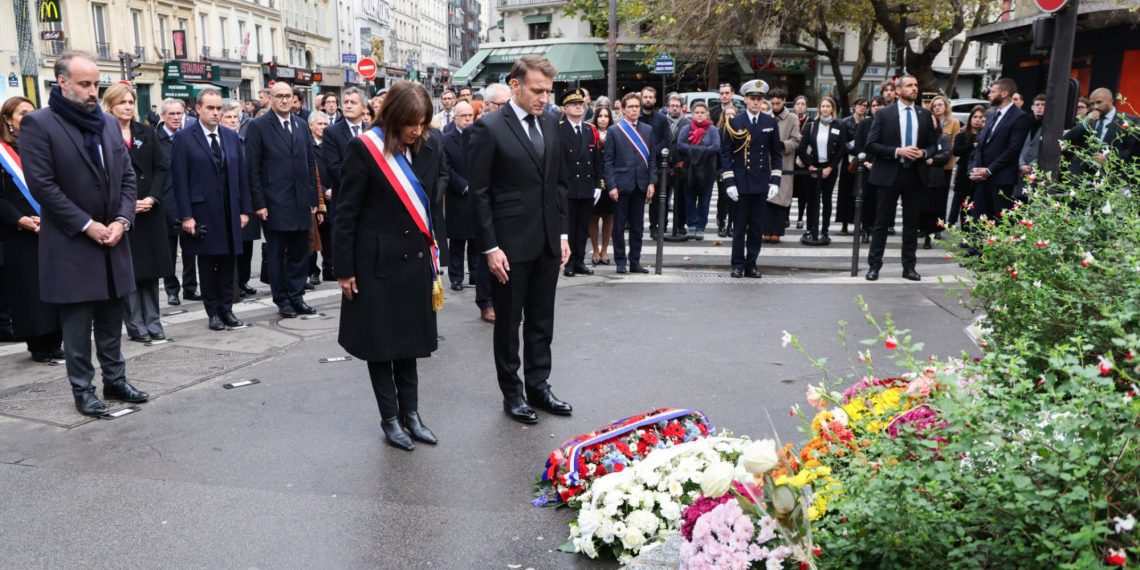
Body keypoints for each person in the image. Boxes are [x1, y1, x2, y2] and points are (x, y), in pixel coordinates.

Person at [21, 51, 149, 416]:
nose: (93, 91)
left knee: (112, 318)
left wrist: (122, 221)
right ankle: (83, 391)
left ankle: (115, 380)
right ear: (63, 82)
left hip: (113, 240)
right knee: (77, 325)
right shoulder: (39, 124)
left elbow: (126, 177)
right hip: (72, 243)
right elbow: (43, 186)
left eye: (96, 84)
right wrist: (86, 224)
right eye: (85, 84)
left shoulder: (107, 124)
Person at [333, 81, 443, 451]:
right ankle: (391, 419)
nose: (418, 131)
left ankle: (412, 415)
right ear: (393, 117)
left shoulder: (428, 145)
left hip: (413, 261)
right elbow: (345, 214)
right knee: (381, 346)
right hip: (375, 264)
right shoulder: (364, 149)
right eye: (412, 123)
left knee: (410, 344)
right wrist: (344, 269)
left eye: (423, 123)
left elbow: (430, 199)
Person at [469, 55, 572, 425]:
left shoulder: (551, 124)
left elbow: (558, 184)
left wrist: (561, 233)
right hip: (508, 246)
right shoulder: (491, 127)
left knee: (542, 320)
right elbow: (479, 193)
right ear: (515, 86)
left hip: (546, 241)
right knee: (509, 322)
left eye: (548, 90)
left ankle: (539, 386)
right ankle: (512, 394)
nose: (544, 97)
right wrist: (490, 247)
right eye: (537, 90)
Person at [171, 89, 252, 331]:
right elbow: (179, 180)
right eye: (211, 108)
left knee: (228, 262)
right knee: (208, 265)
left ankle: (227, 309)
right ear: (198, 109)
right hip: (202, 211)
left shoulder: (229, 136)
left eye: (219, 109)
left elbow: (241, 175)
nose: (216, 113)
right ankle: (213, 311)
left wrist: (244, 209)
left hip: (229, 210)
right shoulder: (184, 138)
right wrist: (186, 215)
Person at [103, 84, 173, 343]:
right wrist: (127, 204)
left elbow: (162, 168)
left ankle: (154, 321)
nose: (128, 106)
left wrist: (152, 198)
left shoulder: (146, 131)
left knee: (151, 269)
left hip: (150, 210)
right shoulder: (102, 134)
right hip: (122, 212)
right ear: (110, 105)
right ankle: (135, 325)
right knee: (129, 270)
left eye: (131, 102)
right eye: (122, 102)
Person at [246, 82, 320, 318]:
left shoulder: (300, 125)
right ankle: (282, 299)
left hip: (300, 202)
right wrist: (259, 203)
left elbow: (310, 162)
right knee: (277, 255)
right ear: (271, 98)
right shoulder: (259, 126)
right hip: (274, 202)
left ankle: (297, 296)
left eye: (288, 96)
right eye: (279, 96)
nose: (285, 100)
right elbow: (253, 168)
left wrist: (312, 197)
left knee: (300, 252)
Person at [0, 96, 64, 363]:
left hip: (49, 226)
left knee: (55, 285)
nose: (29, 117)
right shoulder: (3, 153)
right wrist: (19, 220)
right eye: (23, 113)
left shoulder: (41, 147)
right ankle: (38, 344)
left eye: (32, 112)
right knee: (29, 290)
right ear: (8, 120)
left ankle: (56, 340)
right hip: (17, 231)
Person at [864, 75, 941, 282]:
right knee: (881, 223)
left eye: (916, 85)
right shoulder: (884, 114)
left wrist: (924, 154)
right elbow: (871, 144)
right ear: (898, 90)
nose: (914, 88)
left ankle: (909, 267)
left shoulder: (924, 115)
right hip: (890, 173)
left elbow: (934, 145)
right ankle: (874, 266)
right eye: (909, 85)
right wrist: (898, 151)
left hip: (915, 174)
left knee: (911, 224)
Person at [720, 79, 783, 279]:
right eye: (752, 99)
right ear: (745, 100)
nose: (756, 102)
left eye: (759, 99)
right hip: (740, 182)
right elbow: (725, 155)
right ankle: (737, 264)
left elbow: (776, 154)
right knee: (739, 227)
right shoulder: (735, 122)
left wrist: (775, 181)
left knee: (756, 228)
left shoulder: (769, 122)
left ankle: (752, 264)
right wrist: (729, 182)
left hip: (761, 182)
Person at [471, 82, 510, 325]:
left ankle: (504, 299)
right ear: (488, 106)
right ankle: (485, 302)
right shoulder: (482, 128)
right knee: (487, 255)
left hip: (509, 207)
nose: (506, 109)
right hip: (487, 205)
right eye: (501, 105)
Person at [605, 92, 657, 275]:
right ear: (623, 109)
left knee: (638, 227)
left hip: (641, 185)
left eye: (637, 106)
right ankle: (620, 261)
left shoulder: (647, 130)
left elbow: (652, 160)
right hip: (620, 185)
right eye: (631, 107)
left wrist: (652, 182)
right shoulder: (614, 130)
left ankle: (635, 261)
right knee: (618, 227)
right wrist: (611, 185)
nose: (635, 110)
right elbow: (608, 161)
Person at [968, 77, 1032, 221]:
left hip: (1002, 180)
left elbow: (1012, 150)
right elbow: (981, 145)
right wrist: (977, 170)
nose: (989, 95)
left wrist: (989, 170)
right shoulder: (991, 115)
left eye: (992, 92)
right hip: (982, 179)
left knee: (1000, 225)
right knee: (978, 222)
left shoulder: (1019, 117)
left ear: (1004, 93)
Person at [156, 98, 198, 306]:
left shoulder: (188, 137)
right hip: (165, 202)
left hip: (187, 200)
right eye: (171, 114)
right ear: (163, 116)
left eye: (178, 114)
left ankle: (191, 287)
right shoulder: (156, 138)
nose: (175, 117)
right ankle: (172, 290)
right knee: (168, 251)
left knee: (190, 249)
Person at [558, 89, 603, 276]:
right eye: (574, 104)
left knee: (583, 227)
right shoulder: (559, 129)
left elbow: (597, 159)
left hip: (586, 186)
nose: (578, 107)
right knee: (568, 227)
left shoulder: (590, 130)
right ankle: (568, 263)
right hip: (567, 187)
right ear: (565, 108)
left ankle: (579, 261)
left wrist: (599, 184)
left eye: (581, 104)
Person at [220, 99, 260, 296]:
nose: (233, 121)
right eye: (228, 117)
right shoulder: (219, 139)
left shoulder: (244, 139)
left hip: (247, 198)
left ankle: (243, 280)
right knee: (231, 245)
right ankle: (232, 284)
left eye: (235, 117)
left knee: (247, 243)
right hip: (227, 199)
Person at [796, 96, 845, 244]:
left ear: (832, 109)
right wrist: (810, 166)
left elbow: (841, 150)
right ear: (819, 109)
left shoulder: (838, 125)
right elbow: (802, 148)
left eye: (828, 106)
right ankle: (810, 228)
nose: (825, 109)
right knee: (812, 200)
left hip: (829, 169)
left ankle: (825, 230)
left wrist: (830, 168)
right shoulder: (812, 125)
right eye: (822, 106)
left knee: (827, 200)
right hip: (813, 168)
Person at [442, 100, 478, 289]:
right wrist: (463, 185)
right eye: (463, 116)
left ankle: (475, 274)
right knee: (457, 241)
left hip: (477, 195)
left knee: (475, 240)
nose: (467, 119)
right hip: (458, 196)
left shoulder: (478, 136)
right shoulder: (447, 139)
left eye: (470, 115)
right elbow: (446, 168)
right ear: (455, 117)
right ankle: (456, 277)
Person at [1062, 87, 1139, 175]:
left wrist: (1108, 159)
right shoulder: (1086, 119)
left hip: (1111, 175)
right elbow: (1065, 141)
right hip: (1082, 175)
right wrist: (1084, 123)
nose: (1095, 107)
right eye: (1092, 104)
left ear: (1111, 100)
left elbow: (1132, 150)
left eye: (1099, 102)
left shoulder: (1129, 120)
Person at [918, 95, 961, 248]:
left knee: (940, 199)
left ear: (945, 107)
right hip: (927, 167)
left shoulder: (953, 122)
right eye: (934, 105)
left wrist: (939, 158)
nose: (937, 108)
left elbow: (955, 143)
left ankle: (937, 227)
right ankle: (923, 227)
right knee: (925, 199)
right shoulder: (927, 122)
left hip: (945, 166)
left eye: (940, 105)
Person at [675, 101, 720, 240]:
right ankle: (692, 225)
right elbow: (680, 145)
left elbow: (716, 146)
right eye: (697, 113)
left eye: (702, 113)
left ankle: (701, 227)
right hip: (689, 170)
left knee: (704, 200)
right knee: (689, 199)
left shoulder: (713, 130)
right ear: (692, 114)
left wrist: (695, 150)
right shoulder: (686, 128)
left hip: (707, 170)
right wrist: (701, 150)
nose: (699, 115)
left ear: (707, 114)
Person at [763, 89, 800, 244]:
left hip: (784, 163)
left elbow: (796, 140)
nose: (775, 105)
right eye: (773, 103)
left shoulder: (792, 118)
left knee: (781, 197)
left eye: (778, 103)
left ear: (784, 101)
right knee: (766, 197)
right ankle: (766, 229)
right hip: (766, 163)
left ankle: (777, 231)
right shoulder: (765, 117)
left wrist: (781, 145)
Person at [659, 94, 691, 240]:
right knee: (663, 196)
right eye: (672, 106)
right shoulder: (662, 121)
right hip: (664, 164)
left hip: (681, 165)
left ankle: (680, 225)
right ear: (667, 107)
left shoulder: (687, 123)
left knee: (681, 197)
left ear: (682, 108)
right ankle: (662, 224)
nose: (674, 108)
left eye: (677, 106)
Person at [640, 87, 671, 239]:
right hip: (637, 165)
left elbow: (667, 140)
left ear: (655, 99)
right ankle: (636, 227)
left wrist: (650, 152)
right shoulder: (635, 117)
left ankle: (654, 227)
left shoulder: (662, 119)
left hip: (657, 165)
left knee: (656, 200)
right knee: (638, 198)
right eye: (645, 97)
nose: (648, 100)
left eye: (650, 97)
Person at [854, 96, 886, 243]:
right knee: (866, 200)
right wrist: (866, 162)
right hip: (866, 168)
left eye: (880, 105)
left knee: (880, 201)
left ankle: (876, 228)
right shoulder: (865, 123)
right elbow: (858, 145)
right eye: (873, 105)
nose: (876, 108)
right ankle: (865, 229)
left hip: (883, 167)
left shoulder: (890, 123)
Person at [949, 105, 985, 230]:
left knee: (974, 205)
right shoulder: (962, 135)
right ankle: (963, 232)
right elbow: (956, 151)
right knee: (963, 203)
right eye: (975, 117)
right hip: (964, 173)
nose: (977, 120)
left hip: (979, 173)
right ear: (970, 118)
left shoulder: (985, 135)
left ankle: (972, 234)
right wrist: (972, 146)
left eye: (980, 117)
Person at [835, 97, 868, 236]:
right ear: (855, 106)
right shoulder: (845, 122)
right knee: (845, 192)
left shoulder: (867, 123)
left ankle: (859, 223)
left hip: (862, 160)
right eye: (860, 105)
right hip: (848, 161)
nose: (862, 108)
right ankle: (844, 223)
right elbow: (842, 142)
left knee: (860, 193)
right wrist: (851, 149)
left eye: (865, 106)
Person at [307, 110, 332, 289]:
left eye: (325, 124)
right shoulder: (307, 145)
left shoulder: (330, 144)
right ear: (311, 126)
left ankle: (329, 267)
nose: (323, 127)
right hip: (317, 196)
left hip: (334, 194)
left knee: (330, 235)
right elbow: (310, 175)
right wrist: (323, 191)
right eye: (319, 124)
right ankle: (313, 271)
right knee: (313, 237)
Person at [588, 106, 615, 265]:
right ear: (596, 118)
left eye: (606, 116)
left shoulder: (614, 132)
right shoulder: (591, 132)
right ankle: (595, 251)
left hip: (611, 180)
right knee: (593, 218)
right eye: (600, 116)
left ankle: (605, 250)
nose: (603, 119)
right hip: (594, 180)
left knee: (608, 218)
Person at [715, 104, 738, 238]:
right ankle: (722, 223)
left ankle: (731, 224)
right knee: (723, 198)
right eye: (727, 114)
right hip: (723, 168)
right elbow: (719, 150)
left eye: (732, 114)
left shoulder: (740, 130)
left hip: (737, 168)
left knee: (734, 198)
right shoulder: (719, 130)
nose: (730, 116)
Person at [791, 95, 811, 229]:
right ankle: (785, 217)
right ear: (794, 106)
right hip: (790, 159)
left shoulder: (810, 123)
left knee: (803, 191)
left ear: (807, 107)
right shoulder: (791, 120)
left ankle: (799, 217)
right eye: (798, 104)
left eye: (803, 104)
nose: (800, 106)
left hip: (804, 160)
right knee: (788, 189)